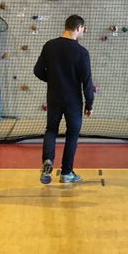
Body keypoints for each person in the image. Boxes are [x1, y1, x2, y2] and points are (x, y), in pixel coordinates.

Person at [34, 14, 95, 184]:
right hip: (73, 101)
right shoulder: (82, 52)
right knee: (72, 135)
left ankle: (48, 160)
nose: (83, 32)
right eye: (83, 29)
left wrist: (53, 80)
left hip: (54, 97)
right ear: (78, 28)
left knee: (51, 130)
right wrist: (89, 103)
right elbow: (87, 81)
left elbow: (37, 71)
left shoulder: (49, 46)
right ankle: (66, 173)